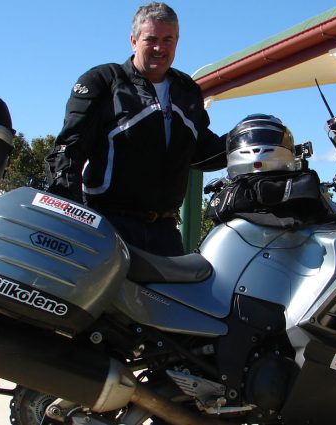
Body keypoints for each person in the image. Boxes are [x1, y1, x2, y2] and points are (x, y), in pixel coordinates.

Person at [45, 2, 226, 257]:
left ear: (177, 40)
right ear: (133, 40)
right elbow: (68, 150)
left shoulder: (187, 90)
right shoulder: (103, 81)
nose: (159, 48)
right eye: (151, 39)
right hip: (108, 225)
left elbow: (200, 151)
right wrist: (69, 218)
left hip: (165, 233)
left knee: (176, 297)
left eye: (168, 40)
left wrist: (246, 141)